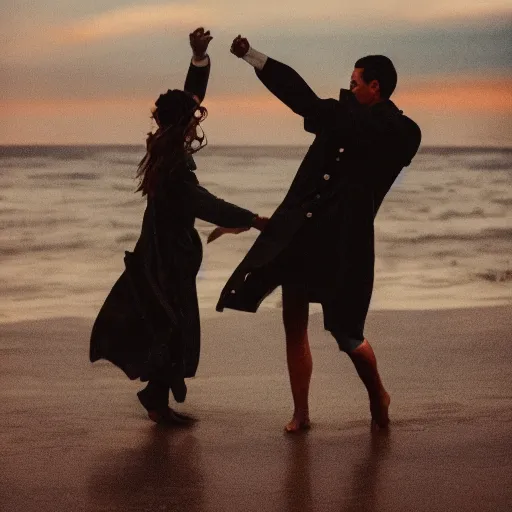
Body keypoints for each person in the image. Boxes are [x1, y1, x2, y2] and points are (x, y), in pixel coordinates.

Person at [212, 35, 421, 432]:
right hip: (304, 234)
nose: (350, 87)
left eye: (356, 82)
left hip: (344, 244)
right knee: (293, 322)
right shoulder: (341, 118)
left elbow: (352, 122)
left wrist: (335, 112)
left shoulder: (403, 131)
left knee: (346, 334)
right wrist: (254, 58)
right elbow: (302, 100)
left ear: (375, 87)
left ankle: (377, 392)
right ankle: (301, 413)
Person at [90, 28, 268, 425]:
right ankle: (156, 399)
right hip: (168, 257)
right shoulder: (173, 166)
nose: (196, 122)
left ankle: (161, 393)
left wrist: (199, 56)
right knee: (172, 325)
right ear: (184, 123)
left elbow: (190, 99)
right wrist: (253, 219)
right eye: (192, 119)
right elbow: (206, 205)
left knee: (167, 322)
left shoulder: (163, 144)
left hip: (160, 251)